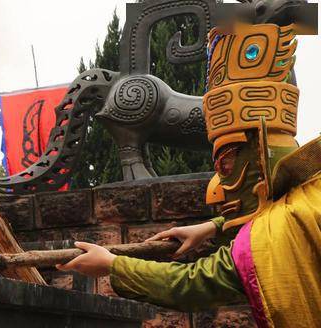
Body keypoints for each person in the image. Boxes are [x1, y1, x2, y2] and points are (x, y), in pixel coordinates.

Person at [57, 23, 321, 328]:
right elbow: (276, 206)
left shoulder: (275, 239)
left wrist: (112, 265)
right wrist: (211, 227)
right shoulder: (310, 195)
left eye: (225, 164)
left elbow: (190, 283)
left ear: (260, 158)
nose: (218, 186)